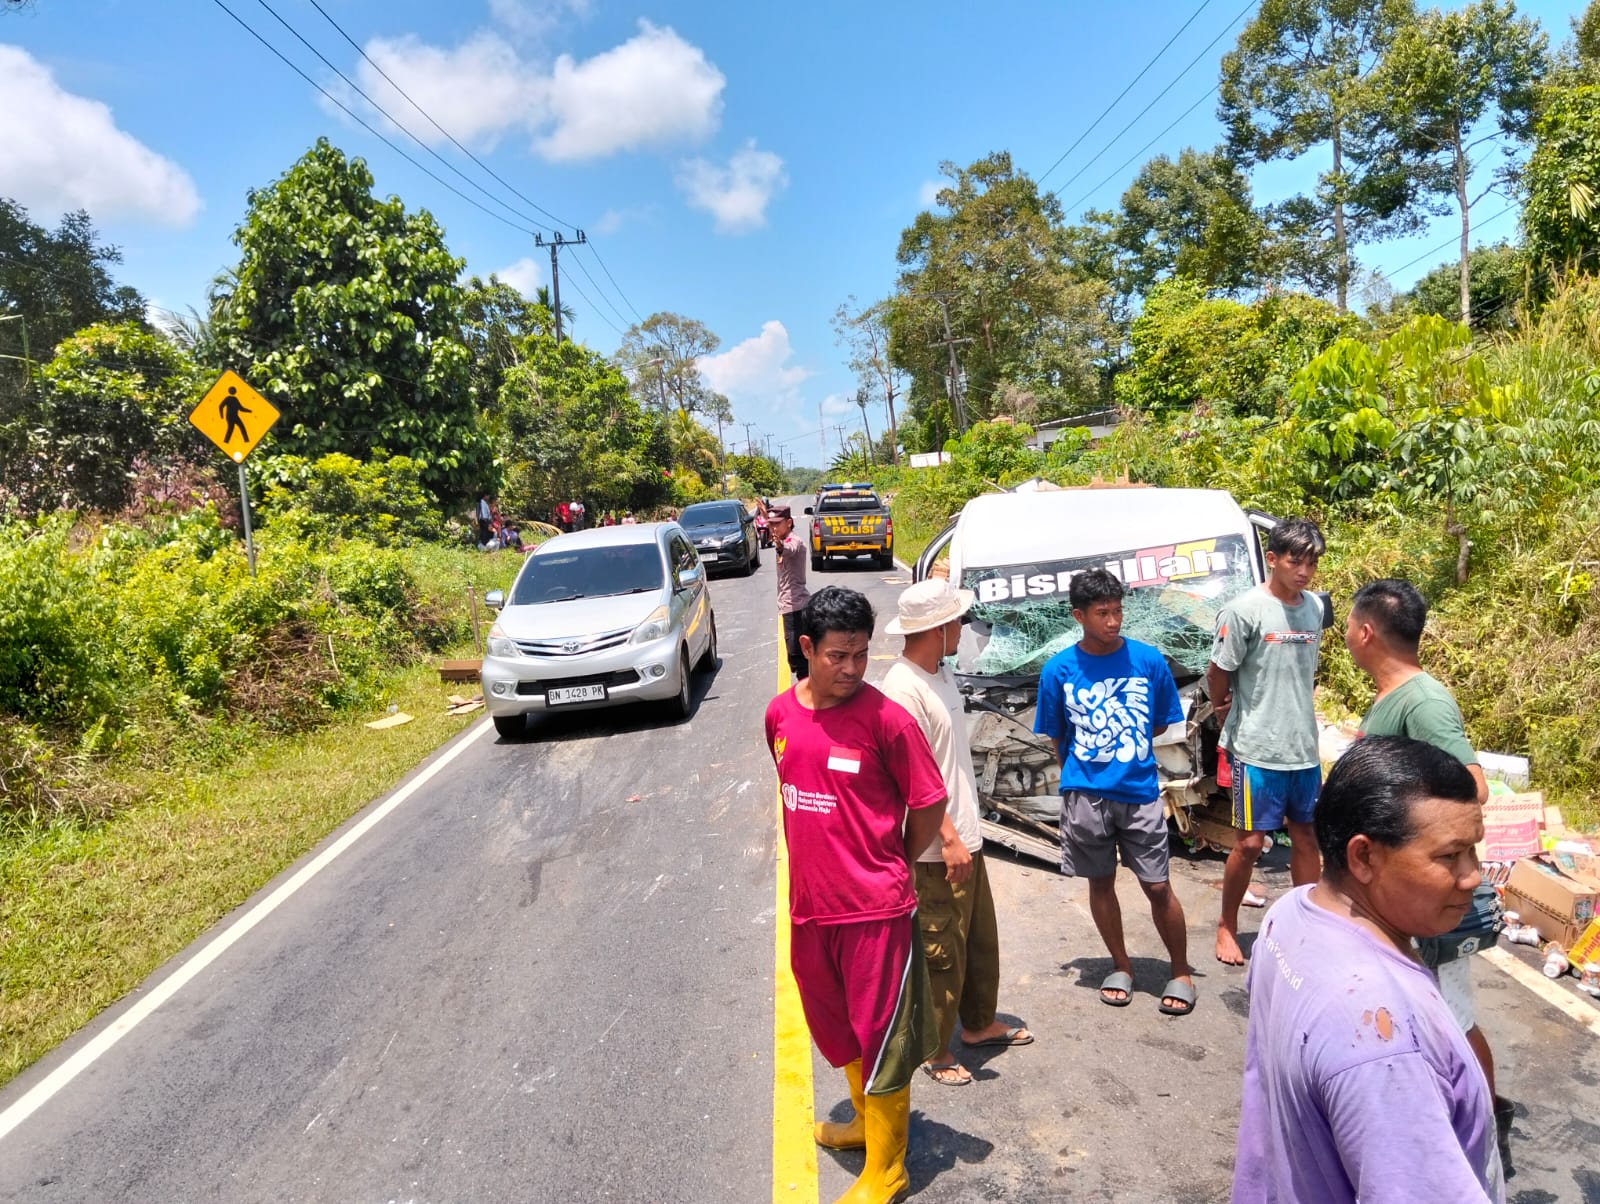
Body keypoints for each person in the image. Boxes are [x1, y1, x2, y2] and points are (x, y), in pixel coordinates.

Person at [1231, 736, 1504, 1203]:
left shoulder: (1290, 912)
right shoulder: (1385, 1043)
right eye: (1449, 855)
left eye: (1473, 851)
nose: (1473, 876)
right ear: (1364, 857)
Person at [765, 587, 948, 1203]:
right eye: (838, 656)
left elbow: (929, 801)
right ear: (807, 648)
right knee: (836, 1027)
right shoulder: (780, 715)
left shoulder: (886, 719)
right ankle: (866, 1126)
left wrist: (893, 857)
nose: (850, 670)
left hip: (875, 911)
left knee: (882, 1037)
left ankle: (889, 1169)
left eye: (862, 656)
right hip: (810, 909)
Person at [1345, 578, 1513, 1170]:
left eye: (1348, 624)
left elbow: (1472, 784)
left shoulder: (1424, 701)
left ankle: (1486, 1124)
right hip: (1393, 893)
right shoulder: (1393, 698)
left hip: (1426, 893)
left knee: (1453, 1017)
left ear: (1365, 632)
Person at [880, 579, 1033, 1087]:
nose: (963, 628)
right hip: (935, 845)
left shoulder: (939, 672)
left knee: (978, 939)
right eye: (958, 621)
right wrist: (945, 837)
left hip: (966, 832)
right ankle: (935, 1049)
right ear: (938, 627)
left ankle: (978, 1024)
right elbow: (909, 776)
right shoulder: (902, 690)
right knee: (941, 950)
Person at [1033, 569, 1195, 1014]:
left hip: (1140, 791)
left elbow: (1159, 723)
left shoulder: (1148, 661)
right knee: (1099, 883)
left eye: (1118, 610)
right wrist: (1083, 776)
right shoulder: (1059, 670)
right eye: (1102, 613)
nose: (1113, 621)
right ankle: (1120, 965)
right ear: (1078, 615)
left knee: (1158, 886)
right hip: (1085, 796)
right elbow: (1056, 734)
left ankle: (1180, 971)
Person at [1208, 518, 1327, 966]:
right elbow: (1218, 671)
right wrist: (1222, 708)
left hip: (1302, 748)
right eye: (1295, 561)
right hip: (1256, 747)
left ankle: (1307, 927)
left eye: (1312, 563)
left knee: (1306, 839)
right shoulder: (1244, 611)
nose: (1304, 571)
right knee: (1251, 844)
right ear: (1273, 559)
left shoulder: (1314, 608)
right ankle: (1227, 925)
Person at [767, 504, 811, 681]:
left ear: (789, 522)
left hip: (796, 607)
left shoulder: (794, 542)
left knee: (798, 656)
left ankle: (808, 690)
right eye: (772, 525)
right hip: (787, 605)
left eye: (778, 524)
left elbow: (789, 549)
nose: (774, 528)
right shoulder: (784, 539)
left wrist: (779, 546)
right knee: (795, 657)